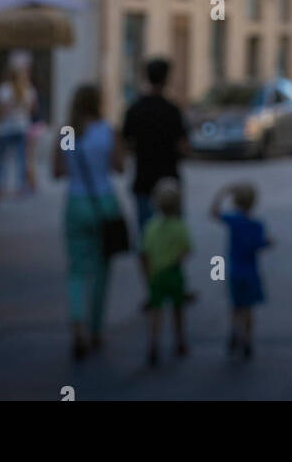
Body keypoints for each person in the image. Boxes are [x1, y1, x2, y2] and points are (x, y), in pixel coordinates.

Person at [54, 83, 126, 360]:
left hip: (75, 203)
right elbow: (119, 167)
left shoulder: (68, 132)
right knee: (101, 271)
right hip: (104, 202)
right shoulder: (108, 131)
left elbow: (57, 171)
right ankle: (96, 331)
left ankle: (77, 327)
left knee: (76, 270)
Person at [122, 58, 188, 234]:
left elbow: (125, 142)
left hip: (144, 178)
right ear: (166, 79)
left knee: (147, 236)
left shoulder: (134, 109)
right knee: (172, 235)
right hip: (169, 179)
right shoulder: (172, 110)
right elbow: (183, 146)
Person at [210, 182, 272, 359]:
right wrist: (268, 243)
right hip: (251, 273)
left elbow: (214, 213)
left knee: (235, 307)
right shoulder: (257, 224)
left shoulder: (233, 220)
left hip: (234, 271)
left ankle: (234, 332)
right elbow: (259, 245)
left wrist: (222, 192)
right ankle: (247, 339)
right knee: (248, 308)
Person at [140, 177, 192, 367]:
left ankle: (153, 343)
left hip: (156, 274)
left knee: (156, 311)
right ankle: (180, 341)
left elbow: (144, 253)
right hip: (174, 273)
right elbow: (187, 250)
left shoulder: (151, 227)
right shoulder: (180, 226)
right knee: (178, 309)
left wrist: (148, 274)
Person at [0, 58, 37, 195]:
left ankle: (1, 186)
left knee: (2, 160)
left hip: (7, 127)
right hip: (22, 126)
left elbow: (1, 110)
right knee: (21, 160)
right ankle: (20, 187)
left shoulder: (3, 89)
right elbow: (32, 109)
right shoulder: (27, 89)